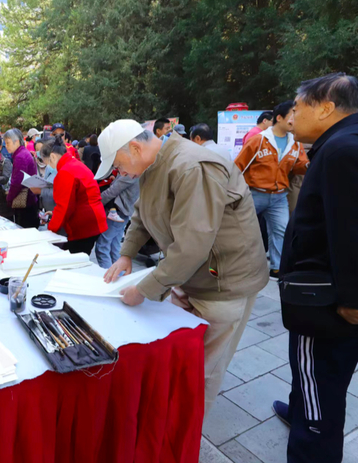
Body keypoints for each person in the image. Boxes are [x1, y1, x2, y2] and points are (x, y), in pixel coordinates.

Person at [100, 120, 268, 417]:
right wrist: (126, 254)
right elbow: (141, 215)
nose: (120, 173)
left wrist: (144, 290)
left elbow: (193, 244)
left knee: (204, 369)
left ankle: (187, 430)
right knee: (179, 358)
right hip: (189, 275)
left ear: (135, 148)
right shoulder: (152, 165)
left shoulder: (191, 166)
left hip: (223, 281)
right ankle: (172, 419)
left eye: (118, 165)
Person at [268, 73, 358, 463]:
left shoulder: (342, 151)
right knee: (314, 377)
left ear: (325, 108)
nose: (292, 116)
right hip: (329, 292)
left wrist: (352, 300)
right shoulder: (341, 143)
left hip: (325, 301)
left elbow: (350, 232)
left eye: (298, 106)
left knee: (320, 382)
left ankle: (313, 437)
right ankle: (301, 407)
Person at [234, 100, 310, 278]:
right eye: (292, 115)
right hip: (254, 194)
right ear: (279, 118)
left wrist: (310, 164)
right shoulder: (258, 140)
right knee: (242, 229)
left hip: (279, 197)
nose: (295, 119)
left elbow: (299, 166)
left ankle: (277, 268)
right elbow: (238, 166)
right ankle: (238, 266)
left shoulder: (295, 143)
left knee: (281, 230)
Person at [40, 137, 107, 254]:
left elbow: (64, 208)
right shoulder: (74, 164)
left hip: (84, 226)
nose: (49, 167)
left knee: (76, 260)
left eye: (47, 163)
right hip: (93, 220)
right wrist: (55, 214)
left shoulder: (65, 172)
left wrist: (50, 231)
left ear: (53, 157)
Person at [95, 173, 140, 268]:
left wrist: (95, 202)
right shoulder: (140, 173)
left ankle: (108, 275)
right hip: (125, 212)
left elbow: (112, 192)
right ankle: (119, 274)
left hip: (118, 211)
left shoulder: (130, 174)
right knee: (114, 246)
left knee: (102, 247)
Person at [5, 128, 40, 228]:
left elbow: (17, 182)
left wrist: (9, 198)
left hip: (25, 202)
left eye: (8, 143)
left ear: (16, 142)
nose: (6, 146)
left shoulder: (20, 156)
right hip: (28, 200)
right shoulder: (23, 153)